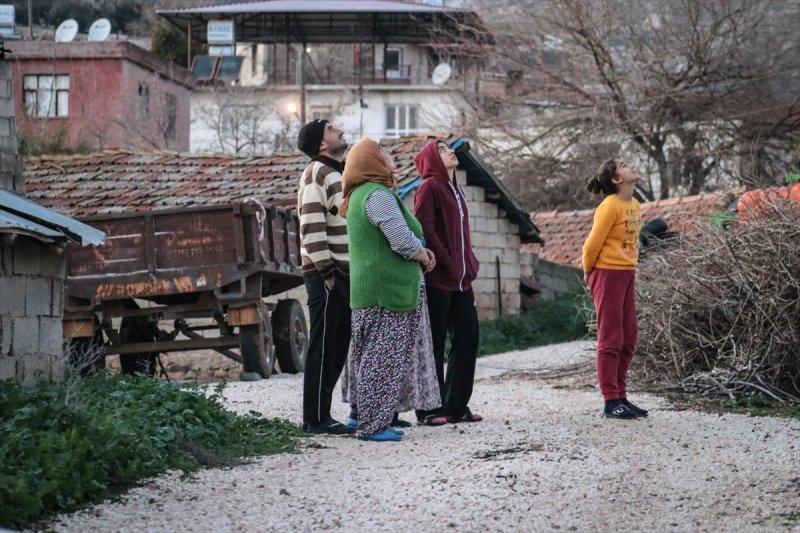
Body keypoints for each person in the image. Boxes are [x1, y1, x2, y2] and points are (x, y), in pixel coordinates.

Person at [340, 138, 437, 442]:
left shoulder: (361, 195)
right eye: (383, 152)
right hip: (386, 290)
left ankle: (371, 419)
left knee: (373, 356)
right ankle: (373, 425)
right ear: (371, 161)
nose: (390, 155)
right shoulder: (377, 195)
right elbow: (401, 240)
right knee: (382, 358)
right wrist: (425, 255)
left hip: (375, 289)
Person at [412, 140, 482, 425]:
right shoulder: (429, 187)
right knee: (435, 344)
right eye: (441, 149)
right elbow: (424, 227)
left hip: (462, 282)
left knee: (468, 338)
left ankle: (455, 406)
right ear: (431, 159)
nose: (450, 151)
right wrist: (447, 261)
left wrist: (470, 262)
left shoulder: (456, 190)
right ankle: (429, 408)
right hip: (439, 280)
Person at [296, 119, 354, 434]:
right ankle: (314, 418)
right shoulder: (315, 174)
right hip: (327, 275)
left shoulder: (337, 173)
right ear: (321, 143)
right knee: (323, 344)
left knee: (338, 344)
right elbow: (311, 226)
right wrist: (328, 273)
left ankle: (323, 414)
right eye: (333, 129)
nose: (341, 132)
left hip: (343, 274)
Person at [581, 158, 648, 419]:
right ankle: (610, 401)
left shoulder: (634, 204)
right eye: (623, 164)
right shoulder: (609, 206)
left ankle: (621, 395)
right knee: (610, 338)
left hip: (626, 273)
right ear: (617, 180)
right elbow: (590, 246)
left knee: (629, 336)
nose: (630, 164)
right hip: (606, 274)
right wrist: (591, 274)